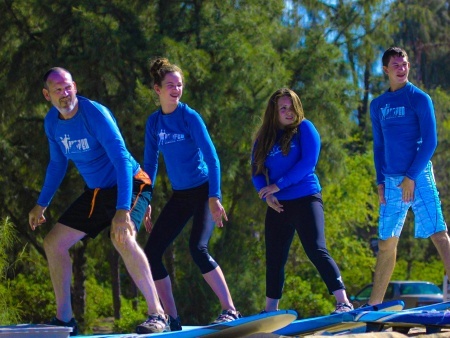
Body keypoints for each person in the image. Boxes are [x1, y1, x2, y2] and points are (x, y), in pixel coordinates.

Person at [28, 67, 170, 335]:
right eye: (57, 89)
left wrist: (122, 210)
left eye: (68, 86)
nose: (64, 93)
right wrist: (41, 204)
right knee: (53, 243)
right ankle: (65, 319)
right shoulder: (52, 123)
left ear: (75, 87)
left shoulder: (95, 114)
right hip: (97, 191)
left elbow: (119, 159)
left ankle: (157, 315)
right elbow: (57, 164)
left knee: (122, 237)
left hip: (131, 182)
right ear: (47, 95)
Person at [143, 57, 241, 331]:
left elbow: (212, 158)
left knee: (197, 248)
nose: (176, 89)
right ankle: (172, 320)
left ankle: (230, 309)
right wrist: (146, 199)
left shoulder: (189, 117)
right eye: (170, 85)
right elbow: (149, 165)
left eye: (180, 85)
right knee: (151, 252)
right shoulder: (154, 124)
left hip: (202, 191)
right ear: (157, 89)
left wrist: (215, 196)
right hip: (180, 195)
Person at [251, 88, 354, 314]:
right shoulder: (263, 138)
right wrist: (266, 195)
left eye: (292, 107)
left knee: (316, 249)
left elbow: (308, 163)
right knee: (275, 259)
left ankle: (343, 301)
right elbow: (257, 173)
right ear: (274, 112)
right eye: (283, 108)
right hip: (278, 205)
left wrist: (278, 185)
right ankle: (270, 311)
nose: (289, 112)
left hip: (306, 198)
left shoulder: (305, 128)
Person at [367, 47, 450, 306]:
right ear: (386, 70)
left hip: (419, 175)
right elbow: (379, 147)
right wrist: (380, 181)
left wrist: (411, 176)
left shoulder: (419, 98)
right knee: (385, 244)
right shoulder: (378, 105)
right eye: (396, 65)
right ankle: (374, 306)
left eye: (404, 64)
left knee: (438, 233)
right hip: (391, 181)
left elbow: (430, 142)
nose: (401, 69)